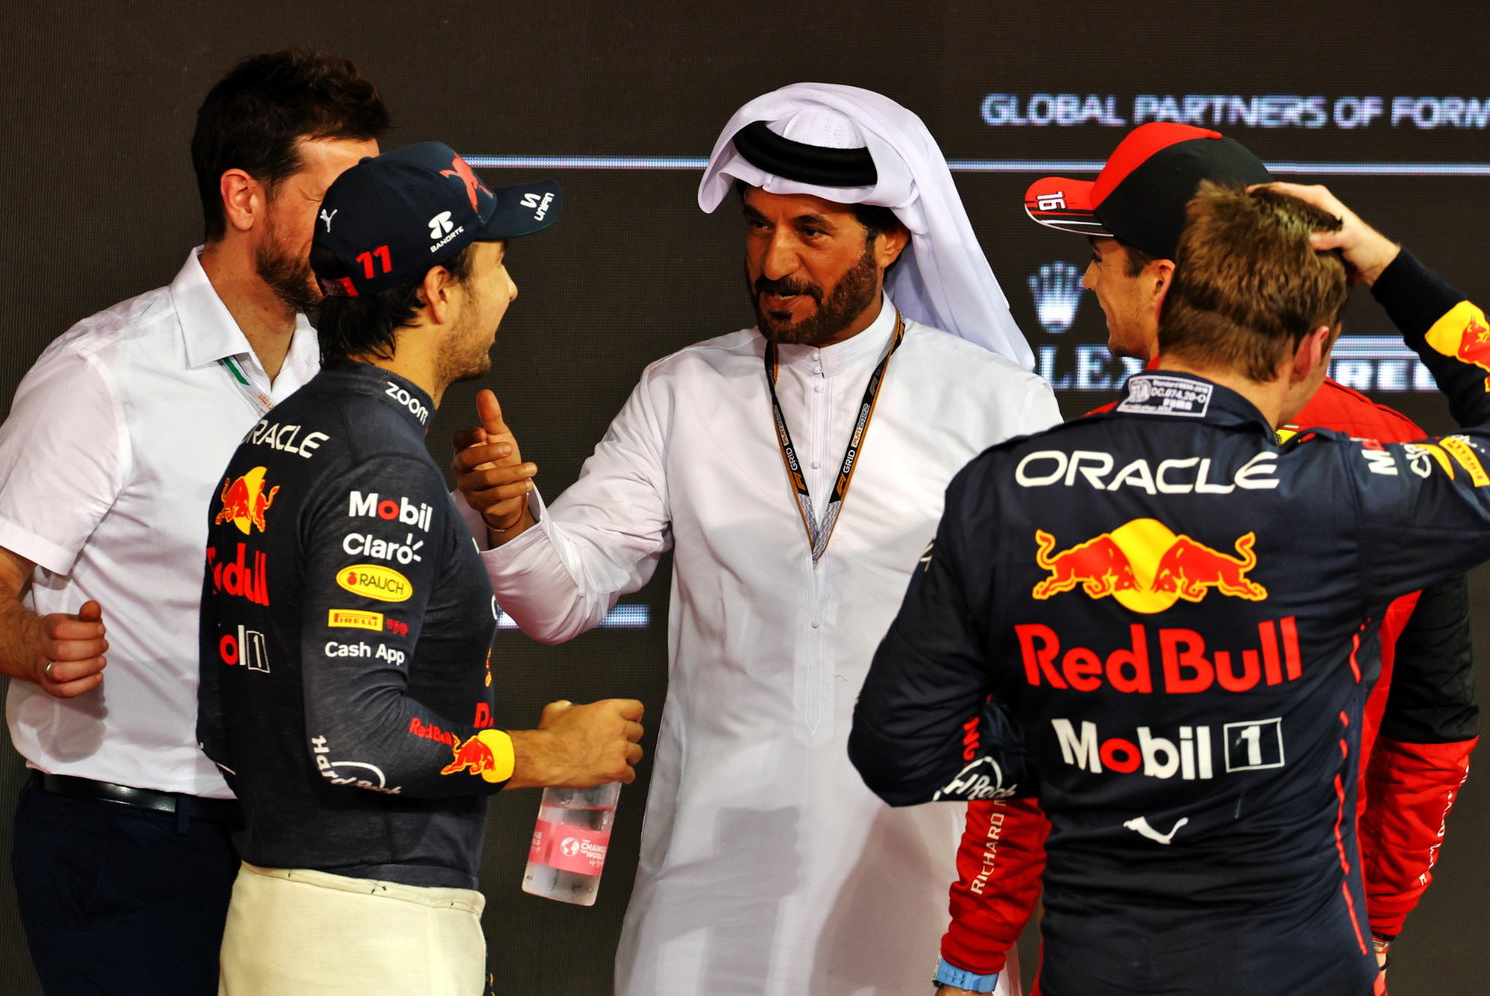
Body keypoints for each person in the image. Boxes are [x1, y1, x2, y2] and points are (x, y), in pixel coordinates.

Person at [450, 83, 1061, 995]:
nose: (774, 261)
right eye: (758, 225)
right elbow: (557, 600)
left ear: (890, 240)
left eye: (811, 232)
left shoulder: (997, 404)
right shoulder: (681, 391)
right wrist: (507, 518)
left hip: (922, 880)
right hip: (705, 884)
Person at [850, 180, 1490, 995]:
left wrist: (1050, 750)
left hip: (1098, 970)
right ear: (1310, 353)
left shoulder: (1005, 489)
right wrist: (1387, 264)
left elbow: (896, 752)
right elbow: (1433, 733)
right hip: (1305, 969)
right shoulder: (1348, 492)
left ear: (1163, 300)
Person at [0, 49, 388, 993]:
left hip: (296, 841)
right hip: (126, 841)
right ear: (244, 198)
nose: (362, 228)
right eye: (337, 196)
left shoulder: (338, 375)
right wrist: (34, 642)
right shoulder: (104, 373)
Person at [195, 141, 644, 994]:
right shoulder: (382, 467)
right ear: (438, 291)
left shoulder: (280, 439)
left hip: (281, 906)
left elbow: (224, 719)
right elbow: (359, 737)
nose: (511, 288)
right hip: (369, 933)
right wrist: (543, 753)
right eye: (497, 263)